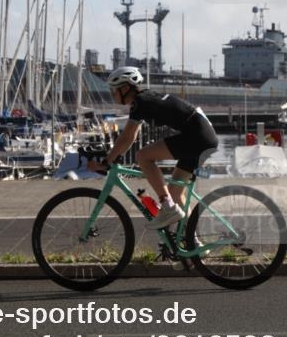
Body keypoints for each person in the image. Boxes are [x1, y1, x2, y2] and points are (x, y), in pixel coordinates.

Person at [88, 67, 219, 229]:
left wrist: (108, 160)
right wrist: (113, 155)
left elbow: (129, 136)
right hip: (203, 135)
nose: (112, 93)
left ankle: (168, 206)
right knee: (175, 193)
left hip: (196, 136)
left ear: (125, 88)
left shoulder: (140, 102)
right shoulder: (146, 98)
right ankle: (193, 242)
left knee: (143, 156)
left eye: (114, 89)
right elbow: (129, 137)